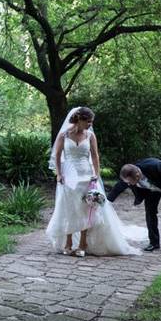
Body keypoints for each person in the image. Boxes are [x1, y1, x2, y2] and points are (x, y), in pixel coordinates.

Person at [45, 107, 142, 257]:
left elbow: (95, 156)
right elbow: (57, 156)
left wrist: (96, 174)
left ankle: (83, 243)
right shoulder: (64, 135)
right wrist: (59, 174)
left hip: (86, 176)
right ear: (79, 120)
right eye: (88, 122)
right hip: (69, 178)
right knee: (69, 209)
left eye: (91, 122)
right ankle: (68, 242)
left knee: (87, 209)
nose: (90, 124)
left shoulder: (90, 135)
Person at [106, 159, 161, 252]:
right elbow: (118, 188)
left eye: (129, 182)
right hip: (150, 191)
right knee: (150, 213)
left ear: (137, 176)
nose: (128, 184)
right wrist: (107, 202)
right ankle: (154, 243)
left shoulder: (154, 166)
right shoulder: (129, 174)